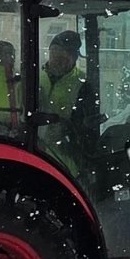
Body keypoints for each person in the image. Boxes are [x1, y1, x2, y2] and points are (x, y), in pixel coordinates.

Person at [39, 30, 88, 171]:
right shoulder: (35, 77)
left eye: (62, 55)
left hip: (65, 159)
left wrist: (66, 128)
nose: (56, 59)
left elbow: (85, 125)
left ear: (73, 58)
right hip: (35, 150)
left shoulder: (82, 83)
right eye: (53, 52)